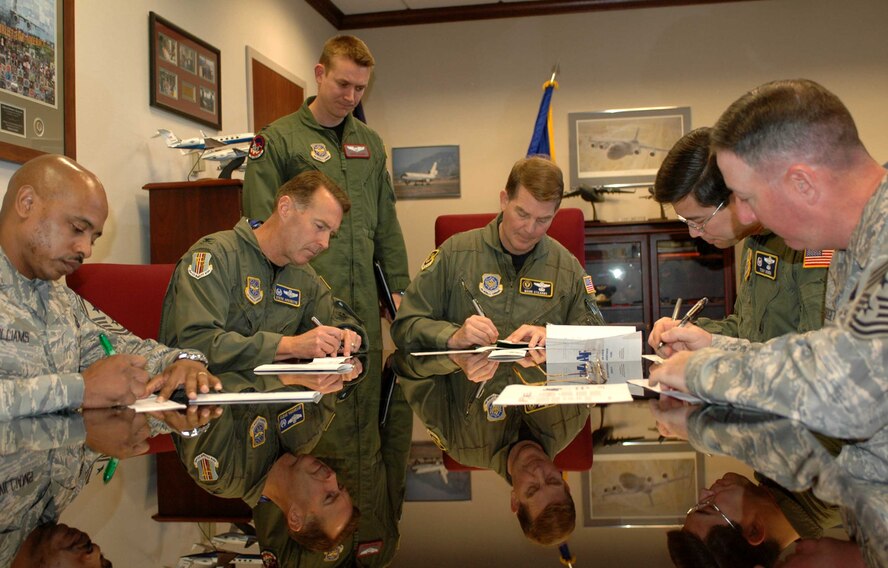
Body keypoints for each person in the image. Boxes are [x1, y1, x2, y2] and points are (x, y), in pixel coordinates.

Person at [649, 79, 888, 439]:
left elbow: (846, 398)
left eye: (748, 198)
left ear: (801, 183)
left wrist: (706, 373)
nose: (745, 217)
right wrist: (716, 346)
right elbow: (820, 360)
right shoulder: (852, 242)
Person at [0, 154, 220, 420]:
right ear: (27, 203)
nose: (86, 250)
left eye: (93, 237)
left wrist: (181, 363)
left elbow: (119, 347)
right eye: (77, 228)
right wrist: (78, 390)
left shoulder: (58, 297)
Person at [241, 35, 409, 352]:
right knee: (317, 390)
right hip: (301, 295)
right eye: (343, 84)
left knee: (364, 386)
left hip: (363, 294)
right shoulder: (279, 139)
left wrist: (396, 287)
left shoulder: (370, 143)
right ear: (320, 74)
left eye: (360, 89)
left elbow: (385, 221)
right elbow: (260, 227)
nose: (351, 97)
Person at [160, 170, 365, 376]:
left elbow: (334, 318)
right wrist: (289, 346)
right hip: (205, 396)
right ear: (285, 208)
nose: (325, 243)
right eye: (319, 226)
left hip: (268, 397)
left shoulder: (304, 276)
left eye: (331, 234)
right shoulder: (215, 256)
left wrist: (346, 335)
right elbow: (198, 346)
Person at [391, 156, 605, 350]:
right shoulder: (454, 253)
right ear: (504, 200)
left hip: (538, 388)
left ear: (555, 214)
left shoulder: (568, 268)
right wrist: (452, 336)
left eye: (543, 220)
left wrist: (555, 336)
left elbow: (598, 337)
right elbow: (405, 325)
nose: (530, 229)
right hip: (469, 386)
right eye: (522, 213)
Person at [649, 127, 827, 348]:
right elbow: (746, 329)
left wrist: (715, 347)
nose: (694, 233)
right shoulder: (754, 239)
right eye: (687, 222)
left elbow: (817, 355)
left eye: (699, 221)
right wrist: (693, 333)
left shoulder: (811, 242)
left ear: (736, 197)